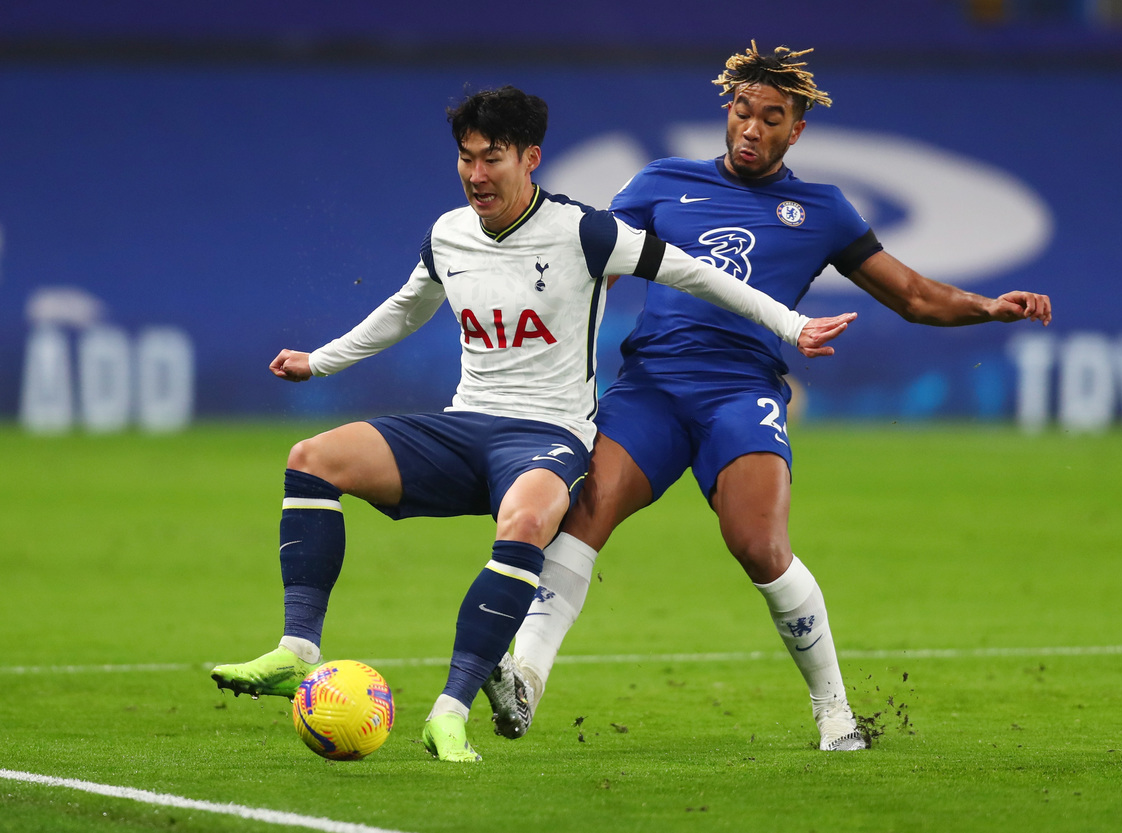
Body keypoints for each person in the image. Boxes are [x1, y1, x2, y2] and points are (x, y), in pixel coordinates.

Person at [209, 84, 858, 763]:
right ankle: (297, 649)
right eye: (466, 158)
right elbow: (404, 309)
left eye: (492, 159)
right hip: (466, 426)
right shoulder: (448, 233)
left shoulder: (586, 232)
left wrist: (792, 325)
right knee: (312, 457)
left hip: (549, 437)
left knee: (526, 523)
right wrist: (320, 362)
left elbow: (694, 273)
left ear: (530, 158)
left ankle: (451, 713)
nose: (476, 175)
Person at [483, 43, 1053, 752]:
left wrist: (988, 307)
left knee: (757, 543)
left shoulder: (823, 210)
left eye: (772, 118)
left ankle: (836, 714)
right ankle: (526, 682)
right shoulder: (663, 182)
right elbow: (590, 264)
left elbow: (913, 295)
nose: (752, 128)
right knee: (582, 520)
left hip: (740, 391)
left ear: (796, 130)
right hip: (651, 387)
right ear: (728, 110)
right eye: (744, 111)